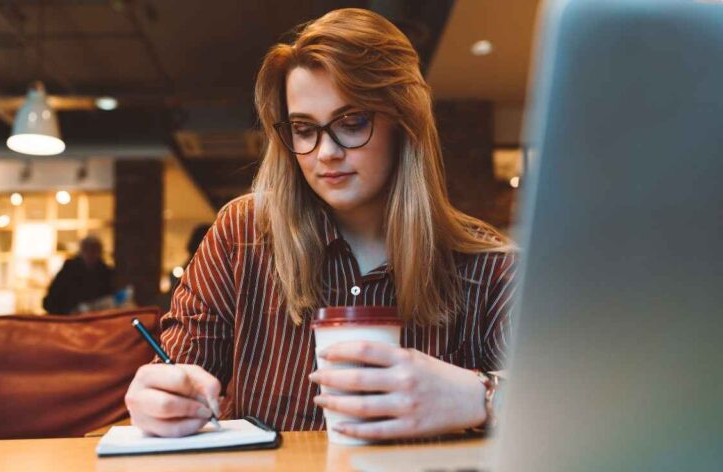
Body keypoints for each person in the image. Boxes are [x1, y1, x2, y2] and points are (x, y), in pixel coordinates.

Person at [125, 8, 518, 440]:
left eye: (352, 123)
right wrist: (158, 399)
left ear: (404, 125)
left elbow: (579, 410)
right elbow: (176, 374)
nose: (326, 152)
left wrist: (481, 397)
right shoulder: (242, 234)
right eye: (303, 129)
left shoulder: (487, 264)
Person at [43, 235, 115, 315]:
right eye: (88, 250)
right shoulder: (69, 271)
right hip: (71, 318)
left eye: (94, 250)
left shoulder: (105, 273)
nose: (90, 254)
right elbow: (52, 299)